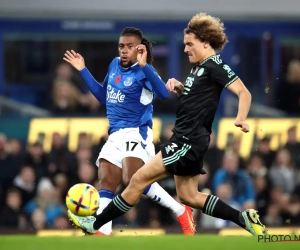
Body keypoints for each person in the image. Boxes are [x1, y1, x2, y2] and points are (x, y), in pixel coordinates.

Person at [67, 14, 267, 235]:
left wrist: (240, 118)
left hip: (186, 139)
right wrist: (182, 90)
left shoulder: (214, 65)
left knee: (137, 180)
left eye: (190, 44)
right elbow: (198, 101)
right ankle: (243, 218)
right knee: (189, 196)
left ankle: (94, 224)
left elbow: (243, 92)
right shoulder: (199, 67)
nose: (185, 49)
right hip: (192, 138)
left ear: (206, 43)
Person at [63, 27, 195, 236]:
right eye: (121, 46)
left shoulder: (144, 71)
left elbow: (162, 93)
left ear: (139, 49)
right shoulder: (114, 64)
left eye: (130, 46)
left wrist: (145, 65)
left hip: (136, 132)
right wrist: (83, 69)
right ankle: (104, 231)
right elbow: (104, 97)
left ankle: (181, 209)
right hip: (115, 134)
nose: (124, 50)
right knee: (106, 181)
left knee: (133, 180)